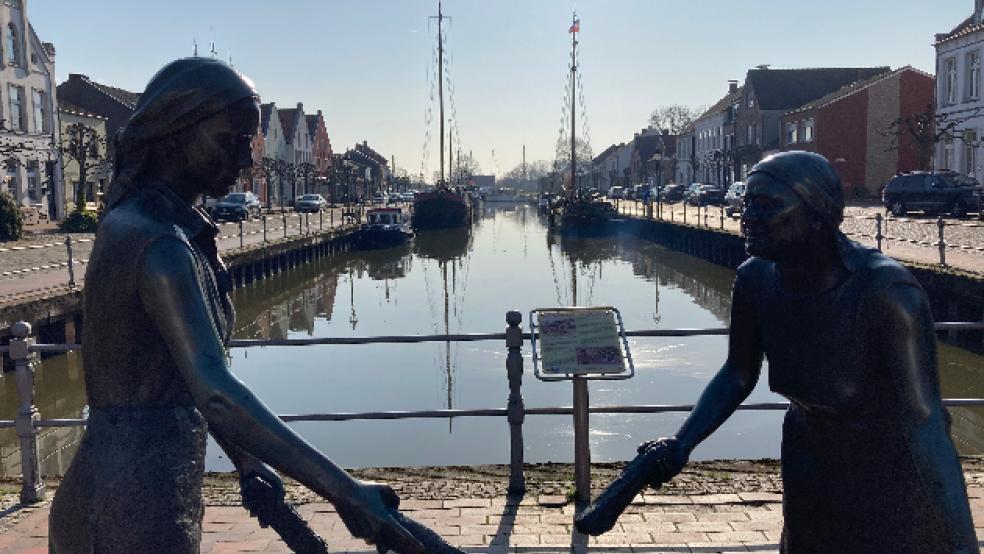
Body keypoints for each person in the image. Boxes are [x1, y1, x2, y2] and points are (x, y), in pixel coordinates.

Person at [48, 58, 425, 554]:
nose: (248, 159)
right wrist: (345, 492)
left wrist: (245, 460)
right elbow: (216, 391)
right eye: (233, 140)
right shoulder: (161, 247)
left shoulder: (148, 224)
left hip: (139, 488)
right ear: (175, 134)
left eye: (250, 141)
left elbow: (178, 374)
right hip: (131, 510)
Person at [644, 151, 977, 552]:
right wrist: (683, 442)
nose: (747, 215)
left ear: (816, 214)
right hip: (808, 460)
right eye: (747, 203)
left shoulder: (886, 294)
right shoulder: (755, 279)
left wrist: (962, 541)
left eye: (767, 206)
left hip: (888, 474)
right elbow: (737, 374)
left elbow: (925, 422)